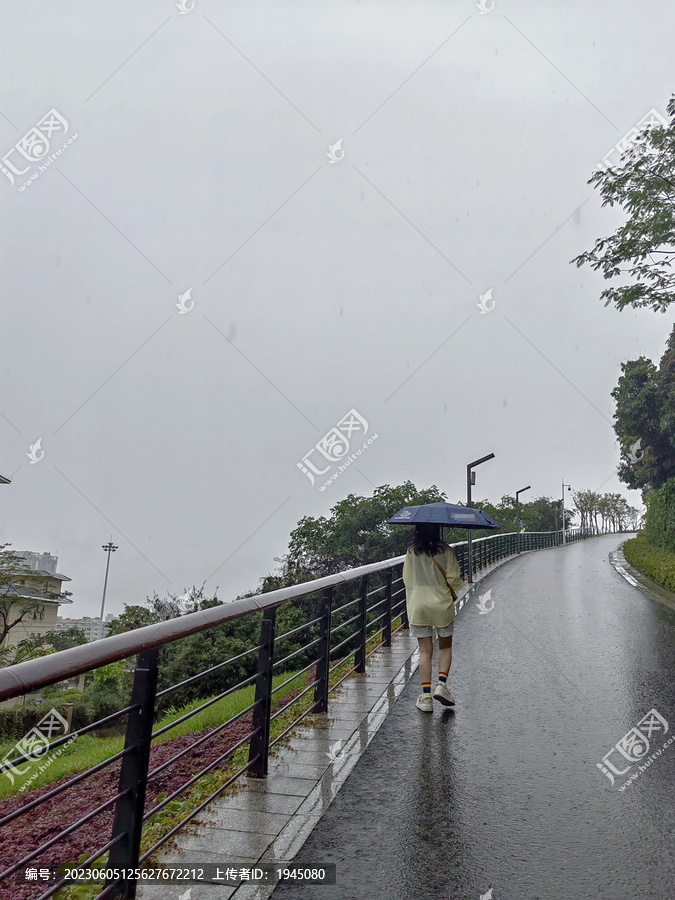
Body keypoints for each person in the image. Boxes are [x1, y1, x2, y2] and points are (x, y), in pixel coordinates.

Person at [402, 522, 465, 712]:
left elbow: (407, 578)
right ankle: (442, 685)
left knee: (425, 651)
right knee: (445, 646)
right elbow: (454, 579)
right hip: (441, 604)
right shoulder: (446, 550)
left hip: (418, 604)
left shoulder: (411, 551)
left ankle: (426, 697)